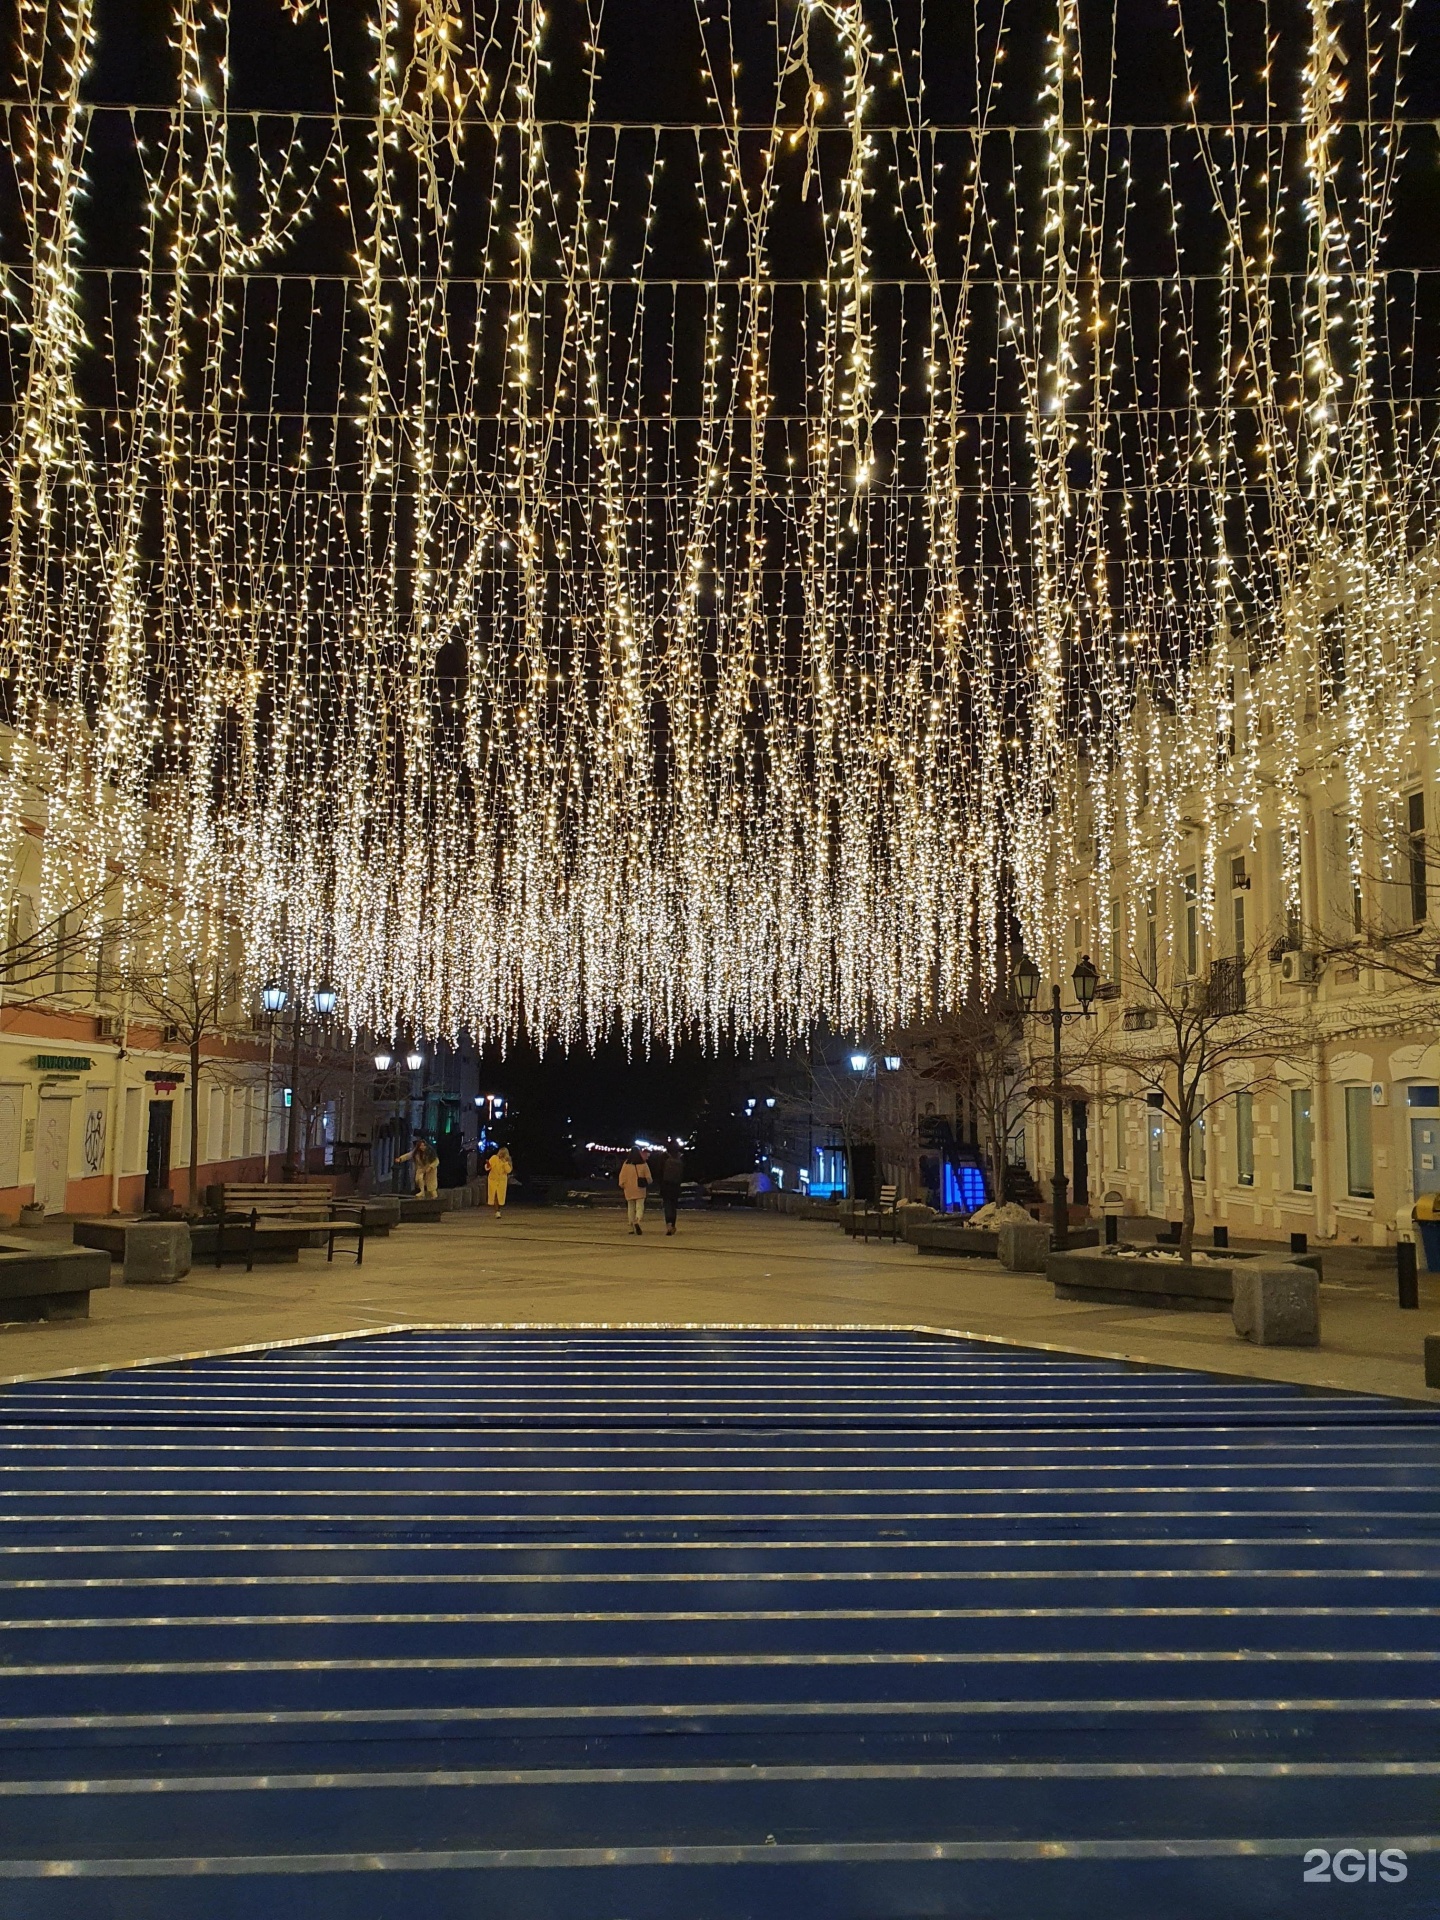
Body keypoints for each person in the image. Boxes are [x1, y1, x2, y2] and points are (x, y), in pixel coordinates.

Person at [653, 1139, 686, 1236]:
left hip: (666, 1185)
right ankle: (673, 1225)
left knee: (667, 1205)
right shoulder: (681, 1158)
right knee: (674, 1206)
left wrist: (659, 1184)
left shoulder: (664, 1157)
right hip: (676, 1185)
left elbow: (659, 1171)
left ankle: (669, 1224)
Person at [618, 1148, 651, 1234]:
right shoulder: (643, 1164)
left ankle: (630, 1227)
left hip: (629, 1189)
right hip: (640, 1189)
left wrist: (623, 1185)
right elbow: (649, 1178)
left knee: (630, 1208)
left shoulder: (626, 1164)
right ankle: (637, 1220)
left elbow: (622, 1177)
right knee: (640, 1207)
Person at [486, 1144, 513, 1212]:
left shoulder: (507, 1161)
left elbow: (508, 1171)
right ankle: (497, 1211)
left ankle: (498, 1208)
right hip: (493, 1179)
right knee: (494, 1195)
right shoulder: (494, 1158)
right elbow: (488, 1167)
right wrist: (488, 1164)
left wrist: (505, 1163)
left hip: (501, 1181)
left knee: (499, 1196)